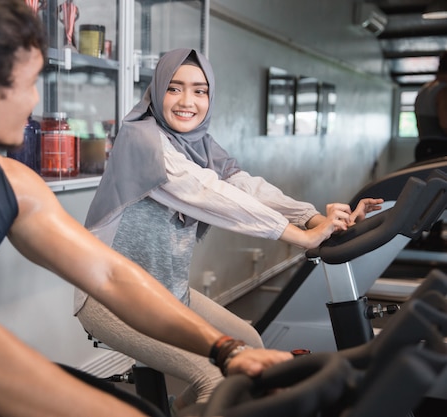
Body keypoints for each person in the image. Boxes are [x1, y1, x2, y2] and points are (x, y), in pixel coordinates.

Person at [0, 2, 297, 417]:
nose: (35, 99)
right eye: (31, 83)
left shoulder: (10, 184)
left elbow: (110, 275)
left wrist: (224, 348)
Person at [74, 48, 383, 412]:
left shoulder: (200, 145)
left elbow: (246, 186)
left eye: (199, 90)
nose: (187, 101)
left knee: (249, 344)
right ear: (157, 91)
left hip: (166, 292)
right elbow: (210, 194)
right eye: (174, 88)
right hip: (111, 296)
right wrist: (296, 235)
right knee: (215, 378)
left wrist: (312, 219)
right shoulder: (141, 139)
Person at [415, 51, 447, 140]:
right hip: (441, 149)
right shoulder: (443, 91)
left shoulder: (426, 88)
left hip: (427, 149)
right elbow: (445, 124)